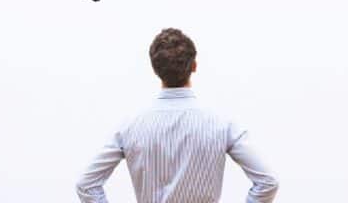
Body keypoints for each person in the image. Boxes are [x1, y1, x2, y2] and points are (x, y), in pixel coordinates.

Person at [75, 28, 279, 203]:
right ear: (194, 66)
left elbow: (86, 185)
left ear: (154, 69)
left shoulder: (130, 126)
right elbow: (268, 182)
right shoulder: (222, 124)